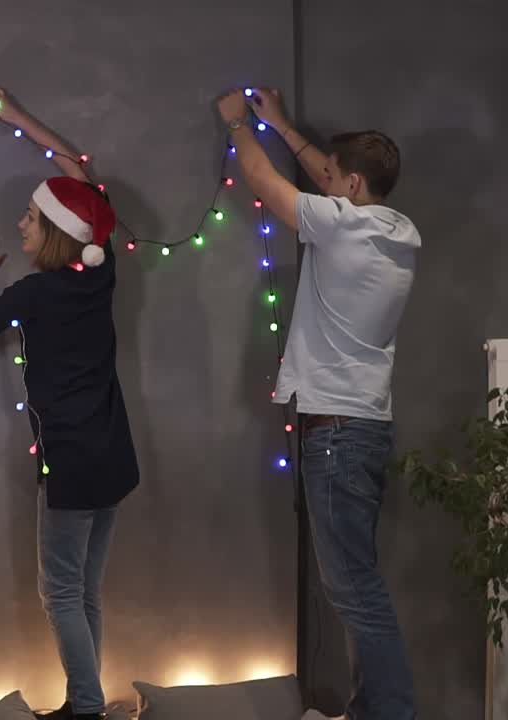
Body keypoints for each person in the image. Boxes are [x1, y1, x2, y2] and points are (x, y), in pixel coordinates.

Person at [217, 87, 420, 720]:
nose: (325, 181)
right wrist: (279, 121)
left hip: (334, 435)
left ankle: (388, 713)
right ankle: (372, 710)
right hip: (362, 427)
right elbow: (322, 179)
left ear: (352, 185)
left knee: (354, 591)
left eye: (335, 177)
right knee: (359, 586)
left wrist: (240, 127)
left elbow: (265, 182)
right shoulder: (393, 229)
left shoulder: (342, 225)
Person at [0, 87, 138, 720]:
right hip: (113, 457)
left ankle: (84, 707)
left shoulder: (33, 294)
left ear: (54, 231)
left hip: (72, 464)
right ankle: (90, 702)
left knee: (60, 593)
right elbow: (81, 179)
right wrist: (15, 116)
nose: (20, 224)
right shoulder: (98, 271)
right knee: (86, 591)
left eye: (29, 217)